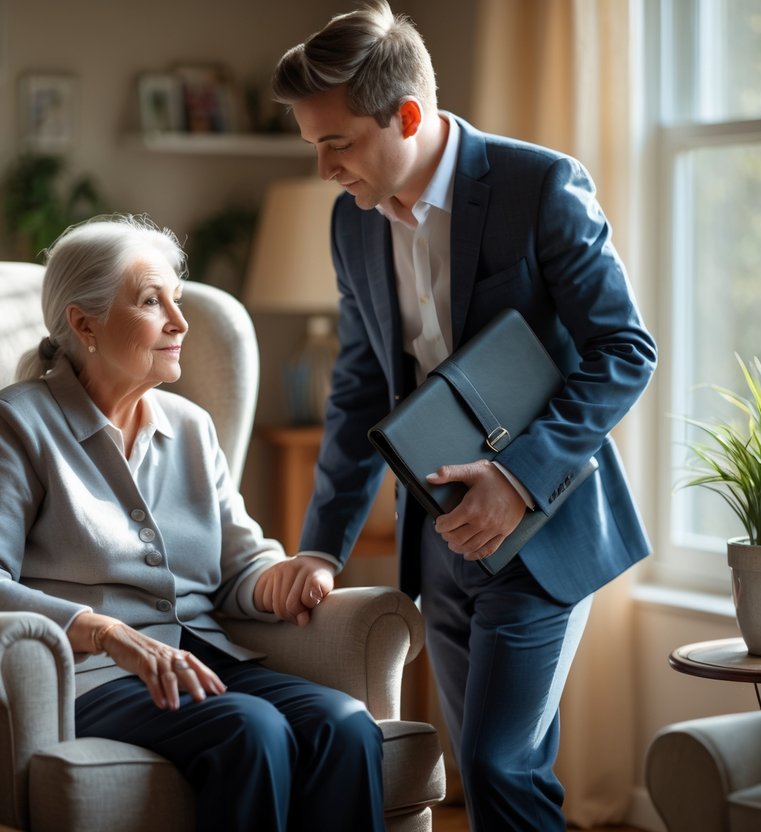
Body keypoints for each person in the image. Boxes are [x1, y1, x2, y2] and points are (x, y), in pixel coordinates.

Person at [271, 4, 657, 830]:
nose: (324, 168)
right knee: (491, 773)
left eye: (335, 143)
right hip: (439, 543)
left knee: (496, 765)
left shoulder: (539, 185)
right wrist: (320, 547)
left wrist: (517, 479)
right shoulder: (351, 223)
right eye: (313, 146)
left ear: (405, 116)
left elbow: (624, 350)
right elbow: (359, 389)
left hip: (543, 530)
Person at [0, 214, 385, 832]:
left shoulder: (190, 426)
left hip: (205, 653)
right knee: (251, 731)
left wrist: (277, 580)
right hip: (95, 677)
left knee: (346, 726)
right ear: (84, 322)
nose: (180, 323)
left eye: (176, 300)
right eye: (153, 302)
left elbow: (238, 565)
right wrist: (103, 632)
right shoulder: (21, 422)